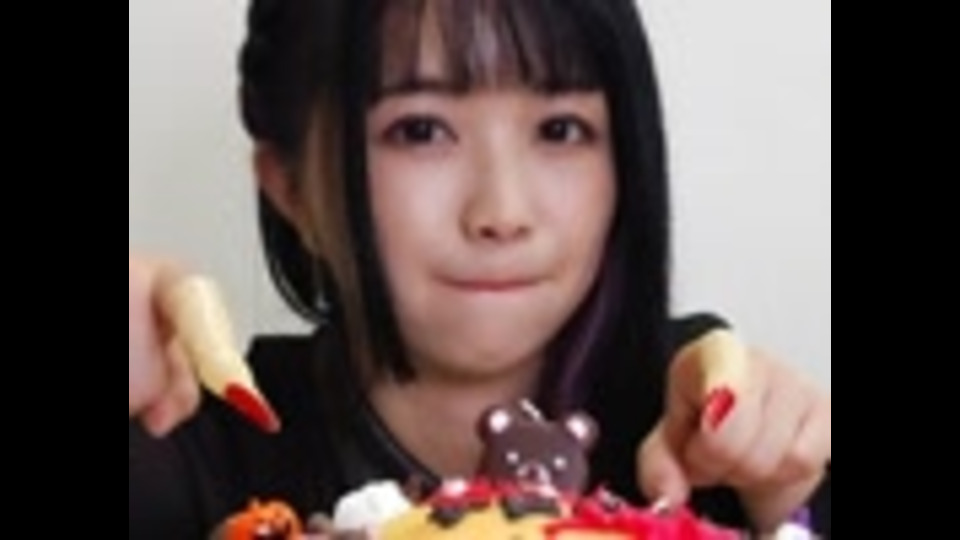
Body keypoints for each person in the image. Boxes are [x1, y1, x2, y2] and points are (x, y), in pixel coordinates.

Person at [128, 0, 831, 538]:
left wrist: (785, 498)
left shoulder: (706, 432)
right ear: (290, 189)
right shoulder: (189, 451)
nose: (502, 212)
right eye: (420, 131)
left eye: (560, 129)